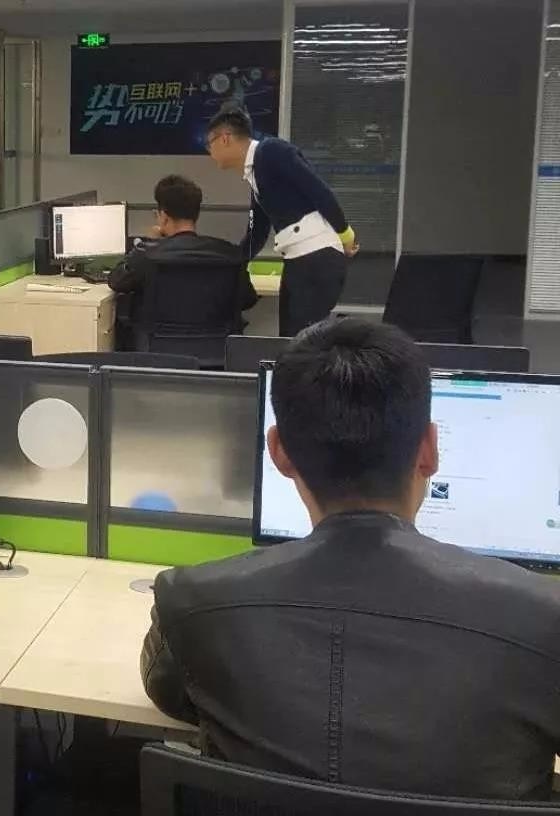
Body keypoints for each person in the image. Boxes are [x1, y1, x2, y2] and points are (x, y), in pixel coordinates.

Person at [140, 318, 560, 801]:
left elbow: (172, 695)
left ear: (279, 453)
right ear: (428, 450)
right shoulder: (542, 620)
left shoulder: (192, 603)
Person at [206, 102, 360, 337]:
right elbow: (258, 230)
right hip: (296, 259)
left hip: (317, 256)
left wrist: (346, 234)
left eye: (210, 144)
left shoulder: (272, 151)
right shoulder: (254, 173)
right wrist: (234, 260)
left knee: (304, 341)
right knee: (288, 338)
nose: (209, 152)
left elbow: (318, 190)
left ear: (225, 138)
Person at [109, 175, 256, 347]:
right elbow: (247, 299)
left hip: (157, 352)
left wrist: (150, 243)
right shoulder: (230, 255)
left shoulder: (147, 254)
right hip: (216, 352)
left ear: (163, 217)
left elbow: (116, 281)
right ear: (196, 215)